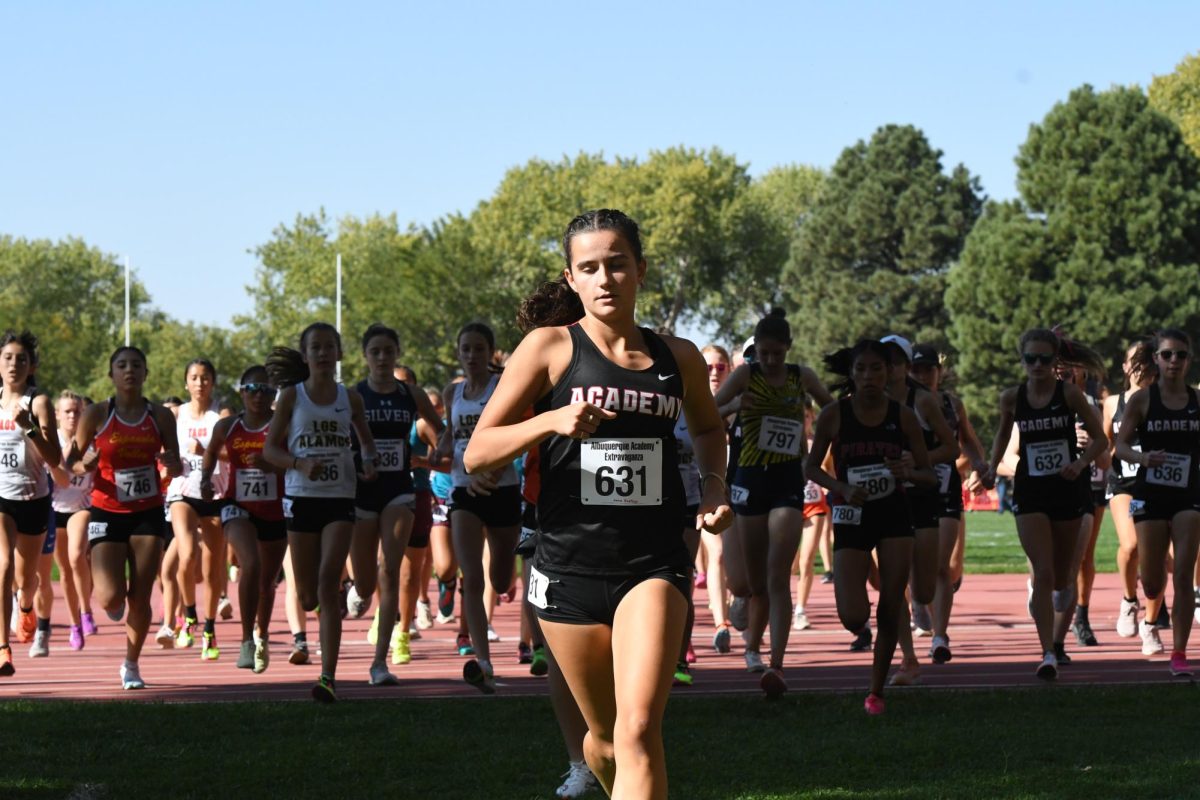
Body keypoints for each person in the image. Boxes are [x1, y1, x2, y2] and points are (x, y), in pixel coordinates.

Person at [465, 209, 731, 798]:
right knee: (605, 742)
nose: (605, 278)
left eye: (617, 263)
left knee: (639, 731)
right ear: (572, 279)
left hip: (654, 564)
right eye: (590, 268)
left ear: (640, 269)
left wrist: (714, 484)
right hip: (567, 570)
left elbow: (710, 431)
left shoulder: (678, 357)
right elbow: (478, 453)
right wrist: (553, 419)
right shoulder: (549, 349)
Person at [806, 339, 936, 715]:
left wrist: (908, 471)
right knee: (854, 616)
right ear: (851, 373)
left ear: (890, 372)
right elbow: (811, 468)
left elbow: (928, 475)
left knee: (891, 605)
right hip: (852, 515)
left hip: (894, 514)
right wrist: (841, 486)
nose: (868, 377)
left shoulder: (903, 416)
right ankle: (861, 585)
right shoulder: (835, 415)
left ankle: (876, 691)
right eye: (860, 369)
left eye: (876, 369)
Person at [713, 309, 833, 695]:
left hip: (785, 480)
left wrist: (815, 454)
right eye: (763, 354)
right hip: (749, 479)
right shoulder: (746, 374)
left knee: (777, 575)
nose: (769, 361)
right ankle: (751, 646)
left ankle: (777, 664)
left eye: (775, 354)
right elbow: (710, 409)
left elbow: (831, 409)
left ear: (787, 349)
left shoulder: (802, 377)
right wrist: (734, 408)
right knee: (751, 582)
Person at [982, 329, 1107, 680]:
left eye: (1045, 359)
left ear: (1055, 363)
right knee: (1043, 572)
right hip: (1031, 490)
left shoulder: (1069, 394)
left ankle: (1056, 609)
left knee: (1063, 579)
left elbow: (1100, 440)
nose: (1037, 365)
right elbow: (1002, 435)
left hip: (1068, 488)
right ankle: (1048, 652)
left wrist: (1080, 464)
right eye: (1030, 359)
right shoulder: (1012, 398)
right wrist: (992, 468)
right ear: (1022, 361)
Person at [263, 322, 378, 701]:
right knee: (308, 595)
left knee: (328, 583)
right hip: (302, 498)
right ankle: (321, 601)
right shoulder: (292, 397)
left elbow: (365, 441)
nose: (324, 353)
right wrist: (298, 463)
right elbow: (270, 450)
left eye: (330, 346)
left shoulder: (351, 398)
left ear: (339, 353)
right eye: (316, 347)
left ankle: (328, 677)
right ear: (306, 354)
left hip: (339, 497)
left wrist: (369, 460)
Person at [66, 345, 182, 688]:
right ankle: (113, 599)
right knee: (109, 597)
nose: (129, 370)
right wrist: (82, 465)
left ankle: (131, 664)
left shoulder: (160, 416)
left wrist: (173, 466)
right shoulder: (97, 415)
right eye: (121, 365)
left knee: (141, 595)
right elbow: (70, 460)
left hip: (147, 511)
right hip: (106, 509)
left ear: (145, 373)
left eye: (136, 365)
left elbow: (172, 462)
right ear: (111, 374)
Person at [346, 326, 442, 682]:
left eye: (389, 351)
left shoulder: (410, 393)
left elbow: (441, 430)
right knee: (367, 583)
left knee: (391, 570)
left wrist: (441, 451)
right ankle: (357, 589)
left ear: (397, 352)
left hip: (400, 490)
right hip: (363, 492)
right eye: (376, 352)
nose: (383, 358)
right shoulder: (354, 396)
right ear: (365, 356)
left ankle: (379, 662)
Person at [437, 322, 523, 692]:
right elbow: (449, 437)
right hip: (462, 491)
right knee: (470, 577)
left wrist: (490, 473)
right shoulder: (452, 393)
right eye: (465, 349)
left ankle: (504, 582)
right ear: (458, 353)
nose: (472, 356)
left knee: (500, 579)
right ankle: (483, 660)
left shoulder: (501, 388)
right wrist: (434, 455)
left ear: (490, 354)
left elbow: (514, 435)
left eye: (478, 349)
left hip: (501, 489)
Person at [1112, 329, 1200, 676]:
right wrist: (1143, 457)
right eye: (1167, 355)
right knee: (1151, 581)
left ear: (1189, 360)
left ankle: (1179, 653)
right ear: (1156, 360)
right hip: (1149, 493)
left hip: (1189, 495)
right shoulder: (1143, 400)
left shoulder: (1197, 401)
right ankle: (1139, 603)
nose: (1174, 361)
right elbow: (1118, 447)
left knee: (1182, 574)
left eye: (1181, 354)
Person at [879, 335, 959, 686]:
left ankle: (921, 606)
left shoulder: (923, 402)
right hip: (888, 498)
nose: (891, 368)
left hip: (926, 494)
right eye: (886, 361)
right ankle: (908, 659)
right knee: (892, 583)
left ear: (905, 366)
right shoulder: (866, 400)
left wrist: (919, 460)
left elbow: (952, 447)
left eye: (897, 362)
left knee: (924, 589)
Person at [200, 365, 287, 673]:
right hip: (238, 507)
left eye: (266, 390)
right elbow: (210, 452)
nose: (259, 396)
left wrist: (273, 466)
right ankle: (246, 640)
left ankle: (262, 636)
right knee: (250, 564)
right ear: (242, 392)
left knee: (267, 583)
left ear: (274, 395)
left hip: (276, 511)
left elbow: (295, 467)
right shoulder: (227, 427)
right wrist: (205, 480)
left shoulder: (283, 426)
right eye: (252, 389)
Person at [0, 330, 62, 676]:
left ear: (32, 365)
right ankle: (3, 648)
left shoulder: (38, 402)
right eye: (7, 357)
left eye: (21, 359)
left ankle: (25, 606)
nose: (13, 364)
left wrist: (30, 429)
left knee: (27, 580)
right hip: (1, 497)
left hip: (34, 499)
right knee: (2, 566)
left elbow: (55, 458)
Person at [166, 359, 231, 659]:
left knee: (211, 567)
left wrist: (207, 452)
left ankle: (208, 628)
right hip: (183, 492)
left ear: (213, 383)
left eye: (205, 378)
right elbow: (166, 453)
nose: (200, 383)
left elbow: (234, 454)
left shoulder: (222, 415)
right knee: (187, 552)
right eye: (194, 377)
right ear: (186, 383)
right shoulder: (176, 415)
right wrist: (168, 462)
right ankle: (188, 614)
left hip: (215, 496)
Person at [1103, 339, 1159, 642]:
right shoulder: (1113, 403)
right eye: (1133, 363)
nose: (1139, 369)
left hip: (1160, 484)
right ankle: (1128, 600)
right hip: (1124, 483)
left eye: (1145, 362)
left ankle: (1150, 625)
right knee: (1132, 545)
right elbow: (1105, 445)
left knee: (1163, 557)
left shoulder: (1165, 400)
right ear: (1125, 368)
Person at [49, 390, 96, 651]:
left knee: (78, 555)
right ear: (57, 415)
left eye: (77, 411)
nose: (72, 416)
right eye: (67, 411)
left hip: (81, 506)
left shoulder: (90, 440)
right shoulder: (51, 440)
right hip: (55, 508)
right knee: (65, 570)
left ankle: (87, 611)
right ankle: (74, 623)